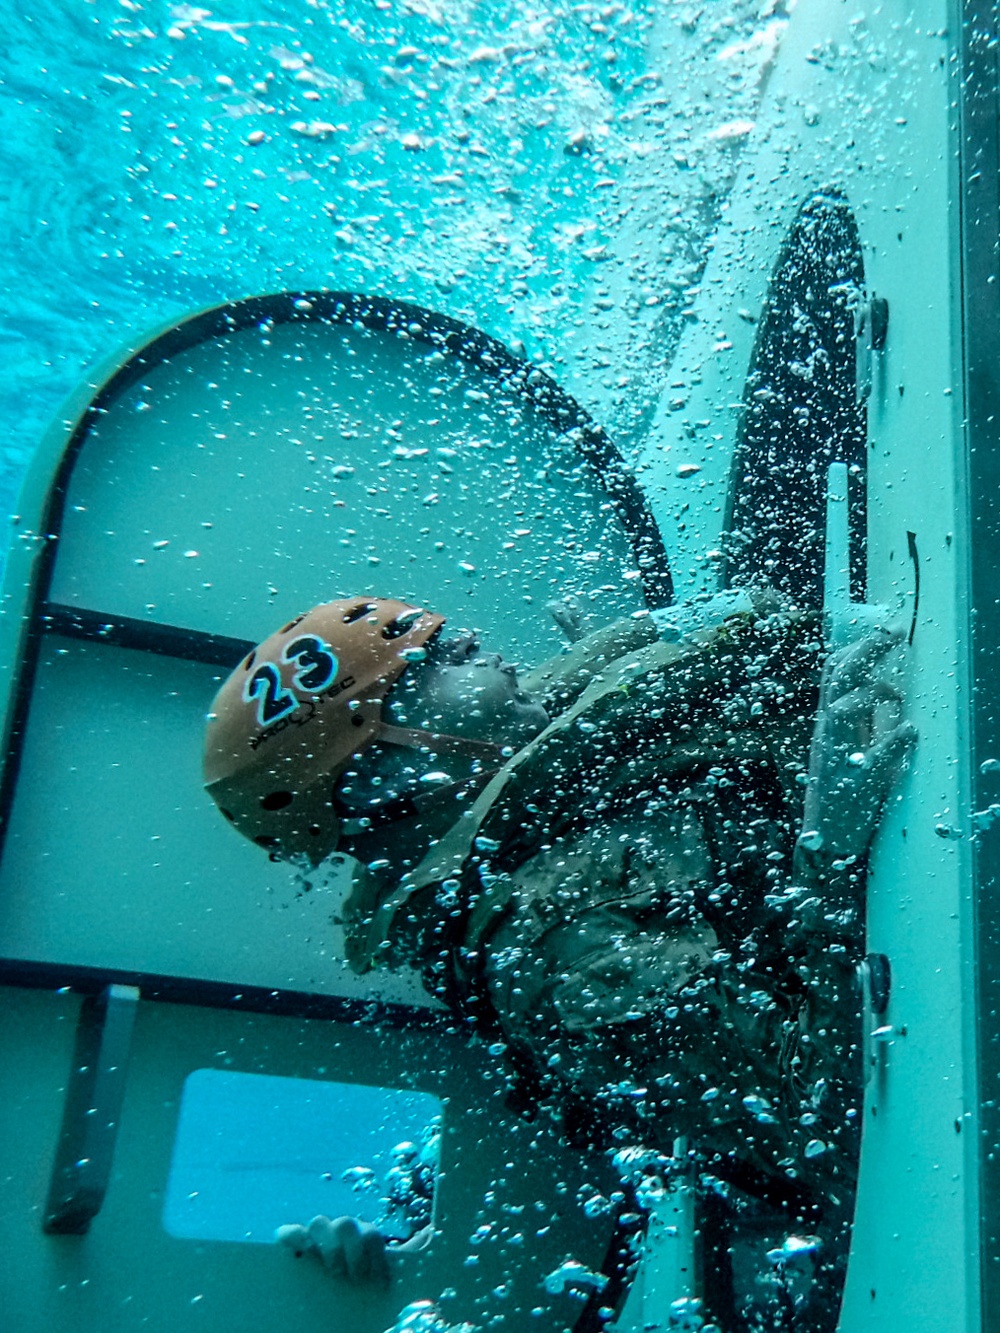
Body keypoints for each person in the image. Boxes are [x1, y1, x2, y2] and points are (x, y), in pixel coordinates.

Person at [203, 591, 914, 1325]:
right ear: (389, 764)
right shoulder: (547, 950)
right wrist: (828, 856)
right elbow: (835, 1123)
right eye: (440, 658)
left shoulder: (513, 785)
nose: (475, 639)